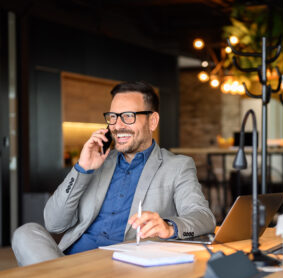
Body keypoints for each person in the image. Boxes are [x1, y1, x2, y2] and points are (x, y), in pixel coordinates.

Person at [12, 81, 215, 266]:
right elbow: (54, 223)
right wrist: (82, 169)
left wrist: (169, 227)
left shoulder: (177, 166)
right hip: (72, 262)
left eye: (128, 116)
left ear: (152, 121)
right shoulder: (96, 162)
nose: (117, 126)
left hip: (124, 265)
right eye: (113, 117)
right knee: (25, 232)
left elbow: (204, 218)